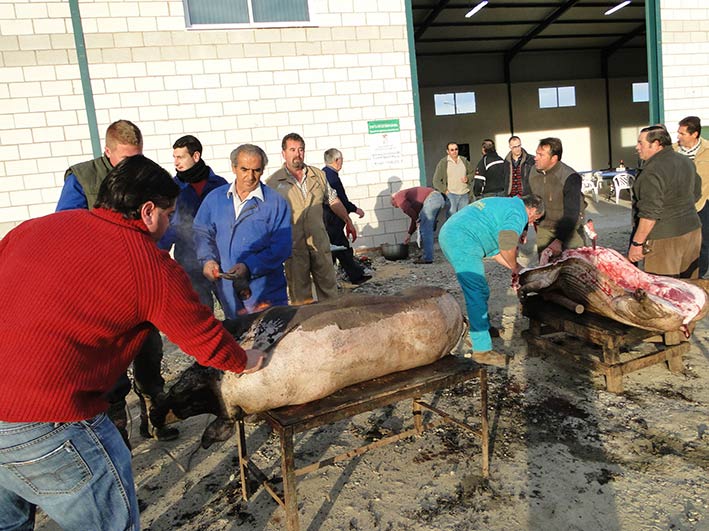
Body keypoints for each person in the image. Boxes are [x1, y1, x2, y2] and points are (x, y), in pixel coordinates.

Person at [0, 154, 264, 531]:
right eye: (170, 214)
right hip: (49, 419)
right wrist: (243, 359)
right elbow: (202, 338)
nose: (171, 223)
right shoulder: (147, 262)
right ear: (148, 211)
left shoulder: (33, 228)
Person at [56, 120, 174, 444]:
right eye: (126, 160)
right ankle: (118, 430)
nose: (133, 167)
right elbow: (68, 230)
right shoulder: (82, 179)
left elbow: (167, 221)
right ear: (107, 153)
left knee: (150, 353)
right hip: (102, 291)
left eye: (138, 157)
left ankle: (156, 417)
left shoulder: (148, 175)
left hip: (140, 285)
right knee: (111, 371)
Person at [194, 144, 292, 317]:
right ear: (234, 168)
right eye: (244, 169)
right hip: (228, 291)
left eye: (256, 170)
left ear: (262, 171)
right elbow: (202, 232)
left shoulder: (276, 203)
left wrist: (249, 266)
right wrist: (208, 260)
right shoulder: (215, 199)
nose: (250, 176)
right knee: (239, 339)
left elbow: (281, 248)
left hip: (265, 290)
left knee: (270, 339)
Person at [439, 195, 545, 354]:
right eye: (535, 219)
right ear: (533, 210)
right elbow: (506, 246)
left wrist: (517, 269)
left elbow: (496, 253)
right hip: (461, 239)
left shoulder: (506, 206)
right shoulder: (518, 213)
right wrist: (515, 265)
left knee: (481, 290)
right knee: (476, 291)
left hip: (455, 235)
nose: (531, 223)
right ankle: (482, 349)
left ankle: (483, 327)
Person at [266, 133, 358, 304]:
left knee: (329, 289)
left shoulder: (318, 176)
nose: (297, 154)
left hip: (319, 242)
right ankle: (307, 328)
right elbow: (267, 217)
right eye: (292, 149)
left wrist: (348, 220)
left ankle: (331, 323)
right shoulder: (273, 183)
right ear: (283, 153)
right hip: (293, 246)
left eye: (300, 149)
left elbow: (332, 199)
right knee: (300, 295)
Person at [158, 135, 228, 309]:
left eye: (180, 157)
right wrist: (158, 255)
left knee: (233, 311)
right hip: (189, 264)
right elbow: (166, 226)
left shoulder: (219, 185)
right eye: (174, 157)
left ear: (195, 157)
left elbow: (229, 222)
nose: (176, 162)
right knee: (201, 314)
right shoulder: (170, 189)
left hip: (219, 260)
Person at [629, 125, 702, 278]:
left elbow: (649, 213)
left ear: (656, 144)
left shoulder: (651, 171)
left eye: (640, 143)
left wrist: (637, 244)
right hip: (692, 231)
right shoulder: (685, 160)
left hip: (664, 237)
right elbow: (696, 193)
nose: (637, 147)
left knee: (664, 290)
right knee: (689, 288)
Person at [528, 137, 586, 257]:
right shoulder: (532, 172)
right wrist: (523, 228)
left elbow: (571, 213)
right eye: (536, 153)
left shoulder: (570, 177)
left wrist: (559, 240)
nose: (535, 157)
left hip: (570, 230)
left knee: (575, 267)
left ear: (553, 158)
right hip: (544, 228)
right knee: (546, 270)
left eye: (541, 155)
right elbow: (528, 202)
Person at [322, 148, 370, 285]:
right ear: (337, 161)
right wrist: (354, 210)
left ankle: (336, 279)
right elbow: (339, 199)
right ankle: (355, 276)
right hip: (332, 219)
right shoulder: (332, 177)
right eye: (341, 159)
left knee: (334, 249)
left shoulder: (323, 174)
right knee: (342, 248)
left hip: (327, 219)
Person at [674, 116, 709, 278]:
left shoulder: (707, 151)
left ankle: (698, 275)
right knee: (679, 242)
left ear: (694, 134)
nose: (678, 136)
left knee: (703, 243)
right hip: (677, 206)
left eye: (682, 133)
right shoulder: (672, 151)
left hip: (701, 204)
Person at [390, 186, 446, 264]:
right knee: (426, 226)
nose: (396, 206)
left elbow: (407, 208)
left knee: (425, 229)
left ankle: (427, 258)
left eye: (393, 204)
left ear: (393, 199)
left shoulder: (397, 196)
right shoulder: (414, 201)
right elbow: (415, 217)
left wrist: (417, 220)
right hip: (438, 198)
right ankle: (426, 254)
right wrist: (409, 235)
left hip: (432, 199)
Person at [432, 142, 475, 215]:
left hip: (464, 194)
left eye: (456, 149)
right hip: (451, 195)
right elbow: (436, 181)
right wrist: (445, 191)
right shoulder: (443, 163)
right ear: (447, 151)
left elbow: (472, 172)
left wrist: (467, 178)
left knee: (463, 217)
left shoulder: (464, 161)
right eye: (452, 150)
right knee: (451, 218)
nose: (454, 152)